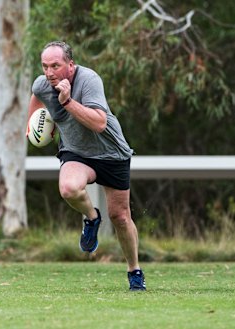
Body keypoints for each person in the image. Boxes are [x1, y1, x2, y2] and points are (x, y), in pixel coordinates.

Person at [27, 41, 146, 291]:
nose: (49, 72)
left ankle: (134, 270)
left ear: (70, 65)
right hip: (76, 153)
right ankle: (91, 218)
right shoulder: (42, 84)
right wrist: (35, 130)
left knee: (120, 216)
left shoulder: (89, 80)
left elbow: (99, 123)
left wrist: (67, 101)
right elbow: (36, 102)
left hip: (112, 153)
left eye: (55, 66)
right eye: (45, 66)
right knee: (69, 189)